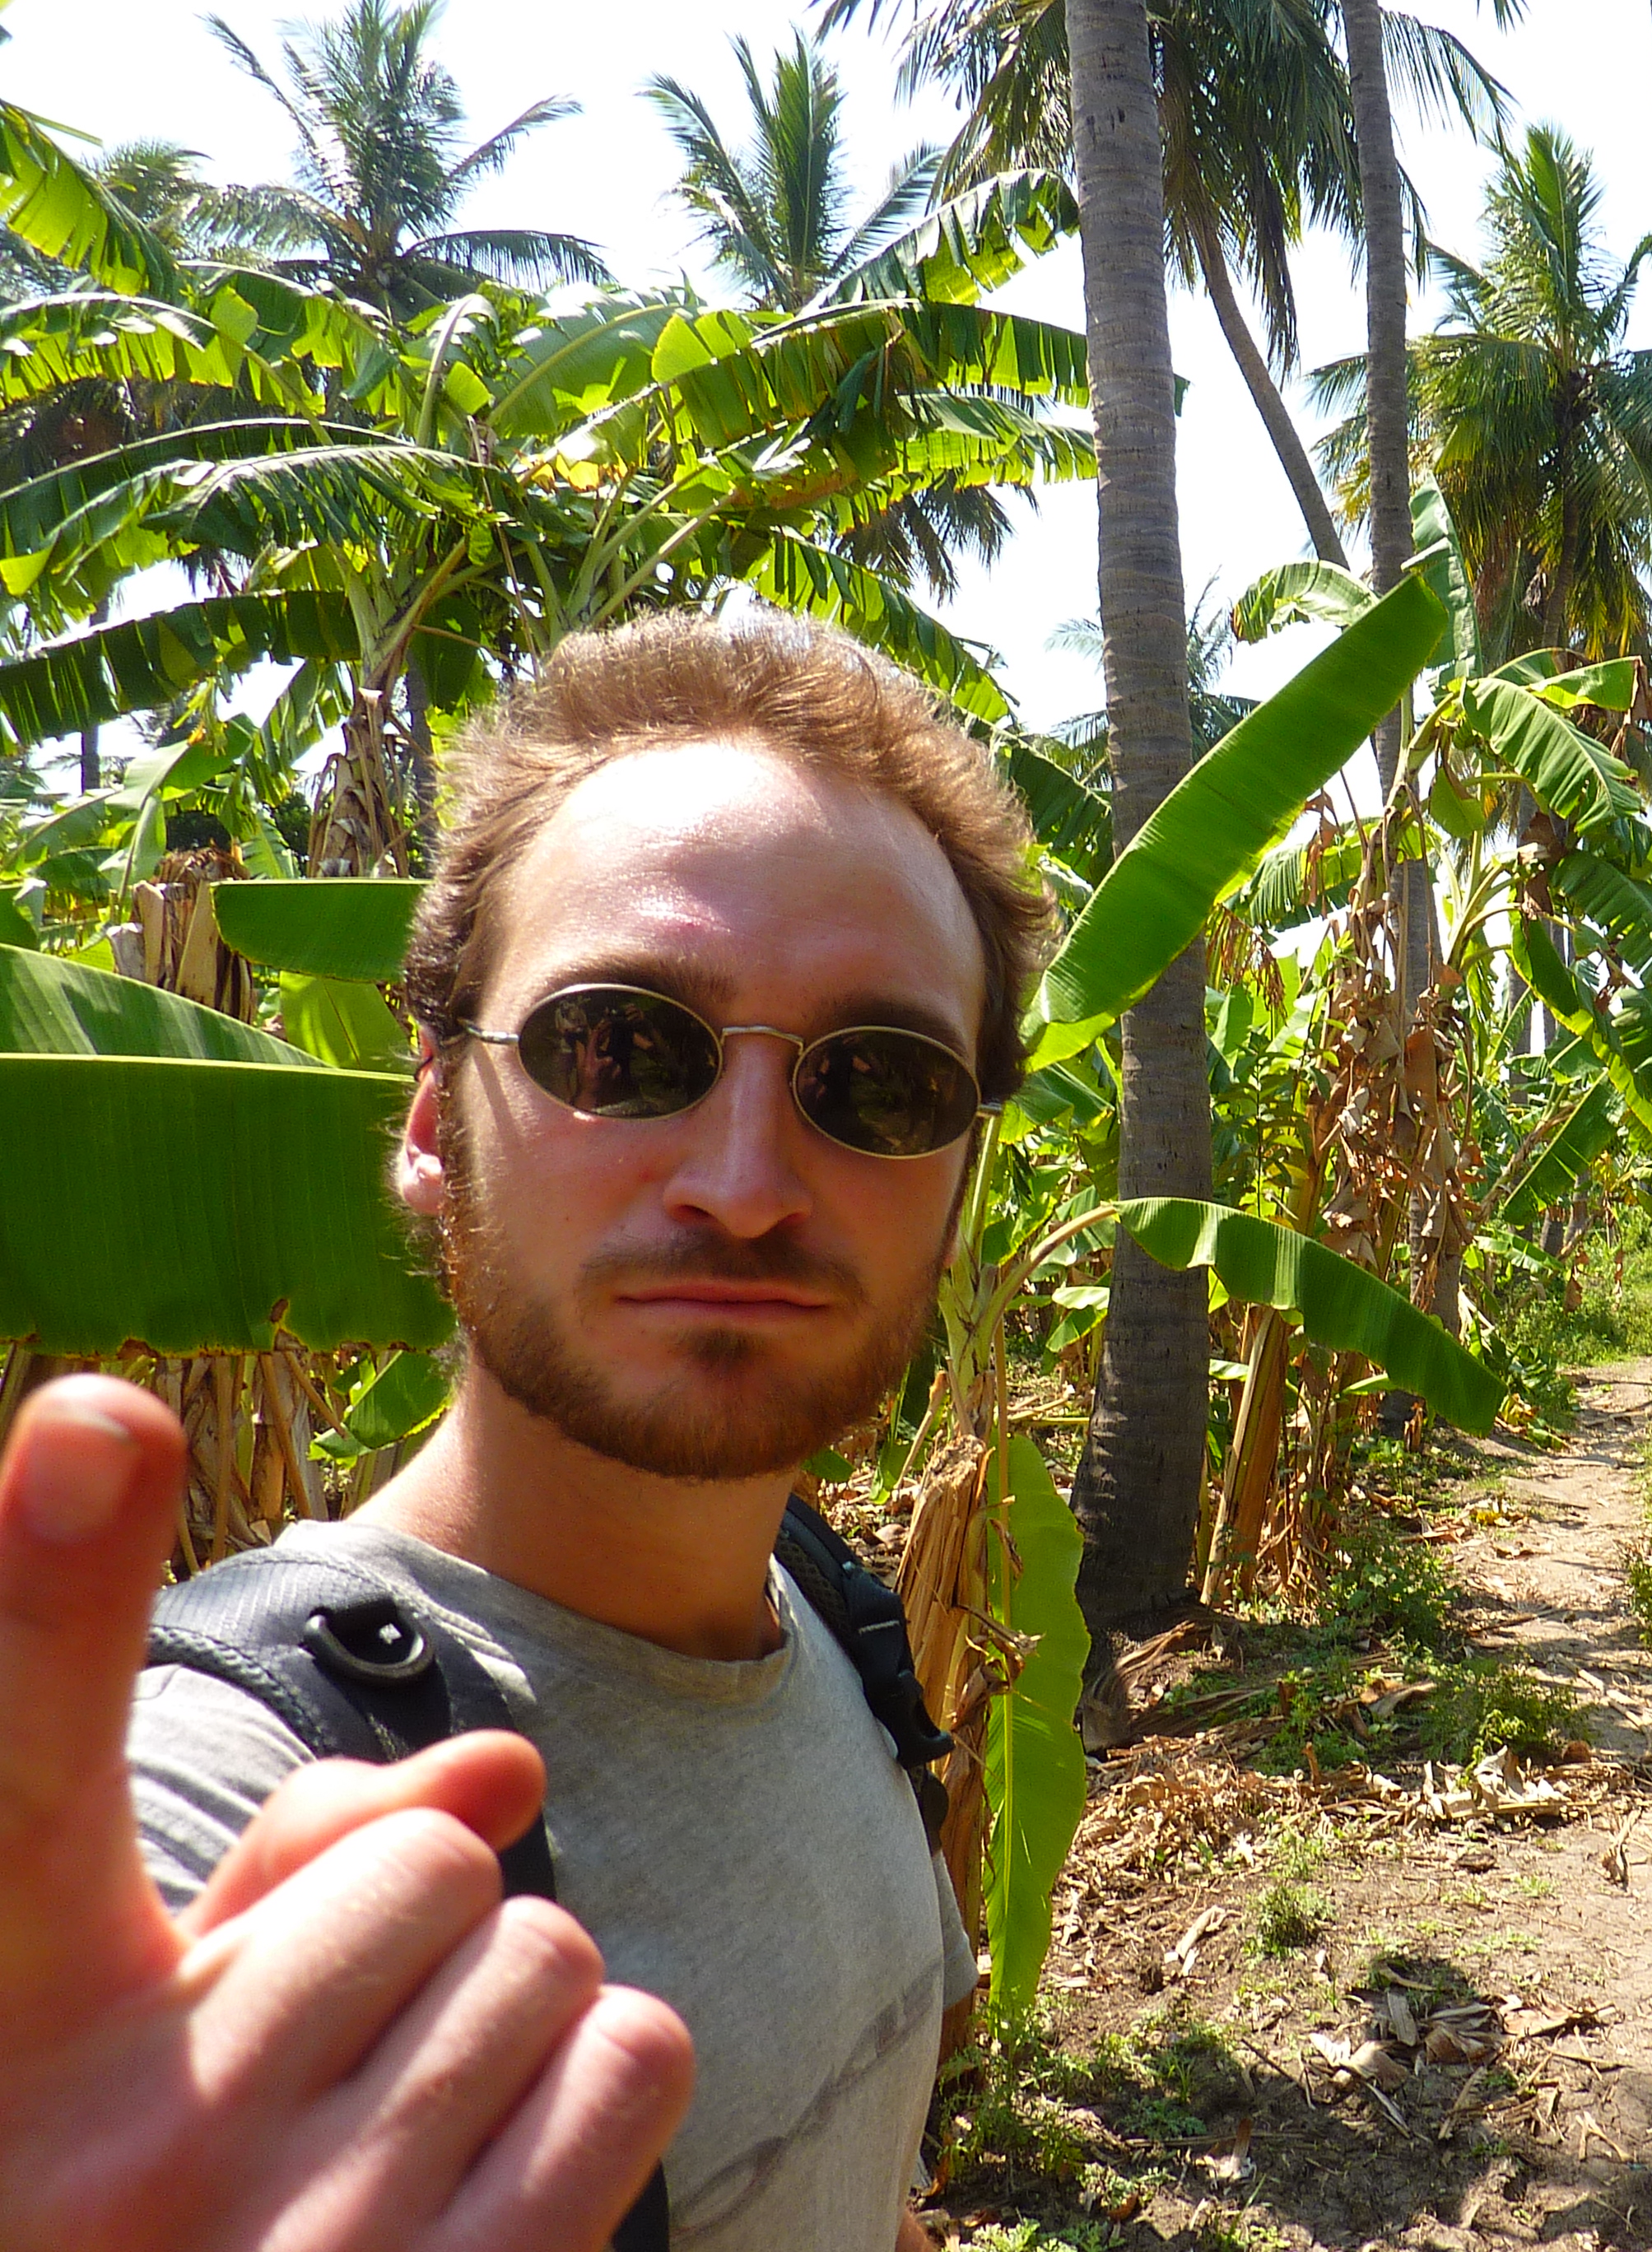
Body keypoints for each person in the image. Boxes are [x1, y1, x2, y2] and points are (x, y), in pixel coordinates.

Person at [0, 607, 1051, 2252]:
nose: (744, 1186)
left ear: (961, 1173)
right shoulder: (231, 1796)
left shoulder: (836, 1622)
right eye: (617, 1046)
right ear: (433, 1122)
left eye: (880, 1083)